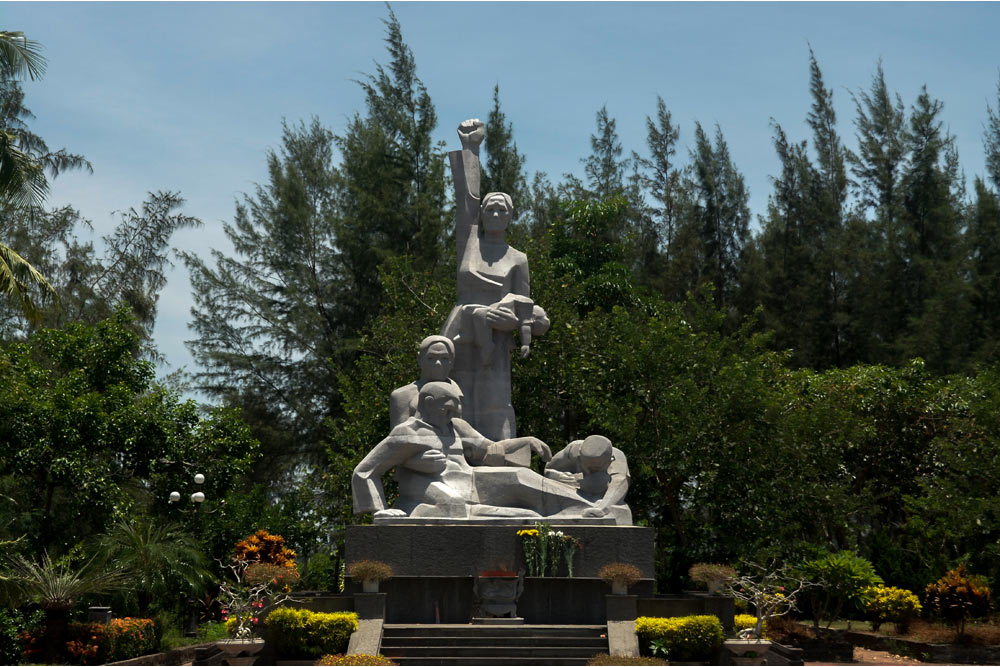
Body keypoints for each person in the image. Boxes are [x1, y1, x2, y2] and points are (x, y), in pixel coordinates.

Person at [441, 119, 550, 455]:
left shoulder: (518, 258)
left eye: (503, 210)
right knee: (458, 397)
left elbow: (526, 306)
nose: (496, 214)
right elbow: (466, 200)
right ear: (484, 215)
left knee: (495, 401)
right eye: (491, 209)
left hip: (496, 342)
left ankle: (505, 459)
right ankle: (457, 458)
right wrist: (471, 150)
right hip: (462, 332)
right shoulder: (469, 243)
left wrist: (521, 322)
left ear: (511, 216)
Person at [352, 382, 603, 520]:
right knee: (455, 507)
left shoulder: (456, 426)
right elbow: (365, 471)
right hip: (429, 485)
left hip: (469, 478)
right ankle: (415, 511)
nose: (451, 416)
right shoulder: (408, 433)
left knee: (521, 476)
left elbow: (490, 448)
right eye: (447, 410)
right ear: (428, 404)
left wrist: (525, 440)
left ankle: (586, 507)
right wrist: (380, 510)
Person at [544, 435, 632, 525]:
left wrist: (603, 508)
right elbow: (548, 470)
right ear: (579, 456)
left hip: (598, 497)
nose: (589, 472)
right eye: (587, 466)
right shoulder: (573, 450)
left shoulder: (617, 457)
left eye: (596, 468)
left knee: (601, 479)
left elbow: (620, 482)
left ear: (609, 461)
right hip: (568, 490)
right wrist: (564, 477)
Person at [389, 335, 463, 428]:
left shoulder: (461, 394)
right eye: (431, 358)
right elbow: (398, 437)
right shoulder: (402, 395)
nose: (438, 363)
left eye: (444, 358)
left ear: (452, 361)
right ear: (420, 359)